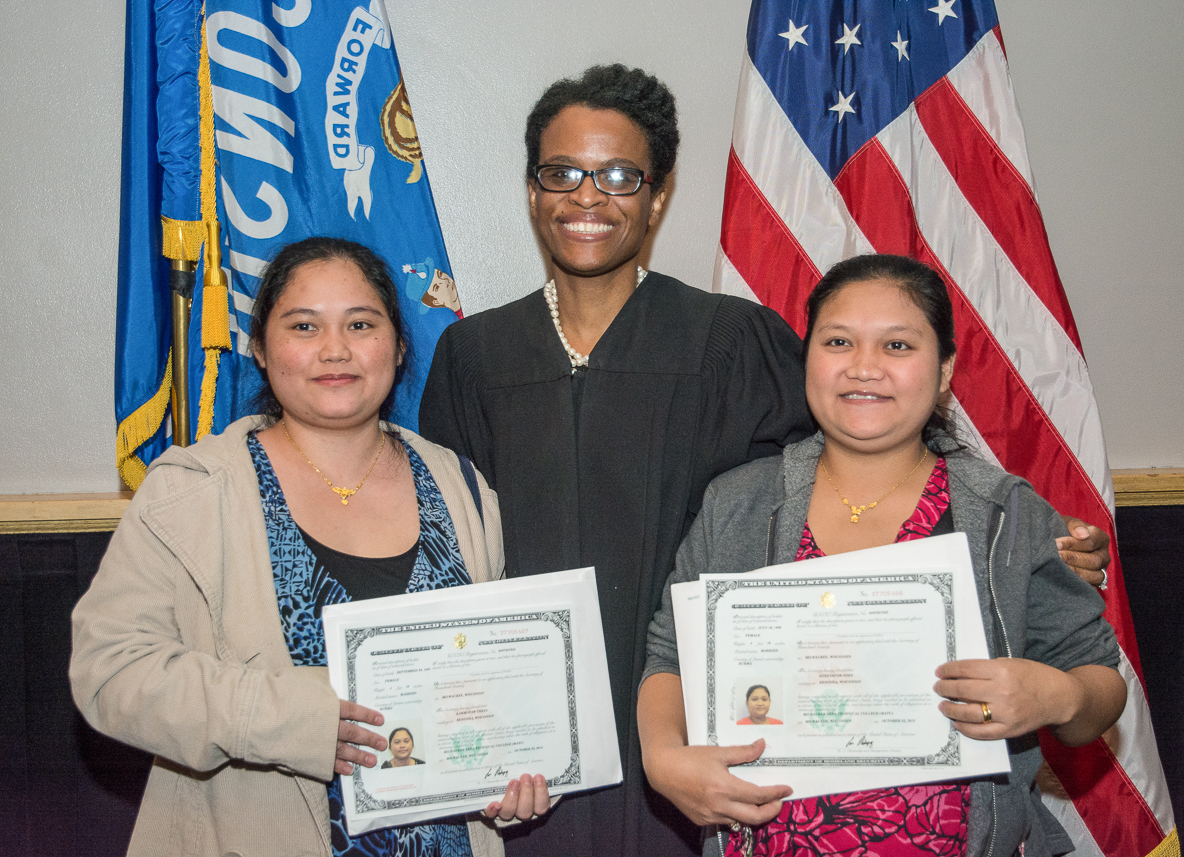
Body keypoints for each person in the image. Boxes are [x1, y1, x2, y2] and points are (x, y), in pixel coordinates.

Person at [420, 66, 1112, 857]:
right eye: (561, 172)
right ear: (533, 186)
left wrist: (1036, 548)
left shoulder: (733, 342)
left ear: (657, 193)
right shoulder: (475, 356)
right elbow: (441, 548)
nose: (587, 196)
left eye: (618, 175)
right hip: (537, 747)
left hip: (723, 736)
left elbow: (860, 461)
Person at [70, 237, 546, 857]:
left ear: (399, 347)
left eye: (360, 323)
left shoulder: (462, 487)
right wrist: (292, 717)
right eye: (303, 326)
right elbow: (110, 672)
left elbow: (489, 685)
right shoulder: (194, 490)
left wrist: (510, 775)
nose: (335, 349)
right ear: (261, 350)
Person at [637, 254, 1126, 857]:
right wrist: (662, 760)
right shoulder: (737, 501)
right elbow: (670, 653)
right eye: (838, 341)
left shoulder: (1002, 513)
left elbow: (1099, 680)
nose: (864, 367)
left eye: (897, 346)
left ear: (945, 370)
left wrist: (1056, 697)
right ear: (808, 358)